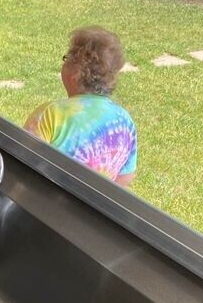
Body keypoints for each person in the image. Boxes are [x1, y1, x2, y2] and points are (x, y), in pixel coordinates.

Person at [24, 26, 137, 187]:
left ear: (76, 72)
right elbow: (125, 178)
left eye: (66, 59)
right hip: (93, 202)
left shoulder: (50, 114)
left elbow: (22, 161)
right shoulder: (124, 120)